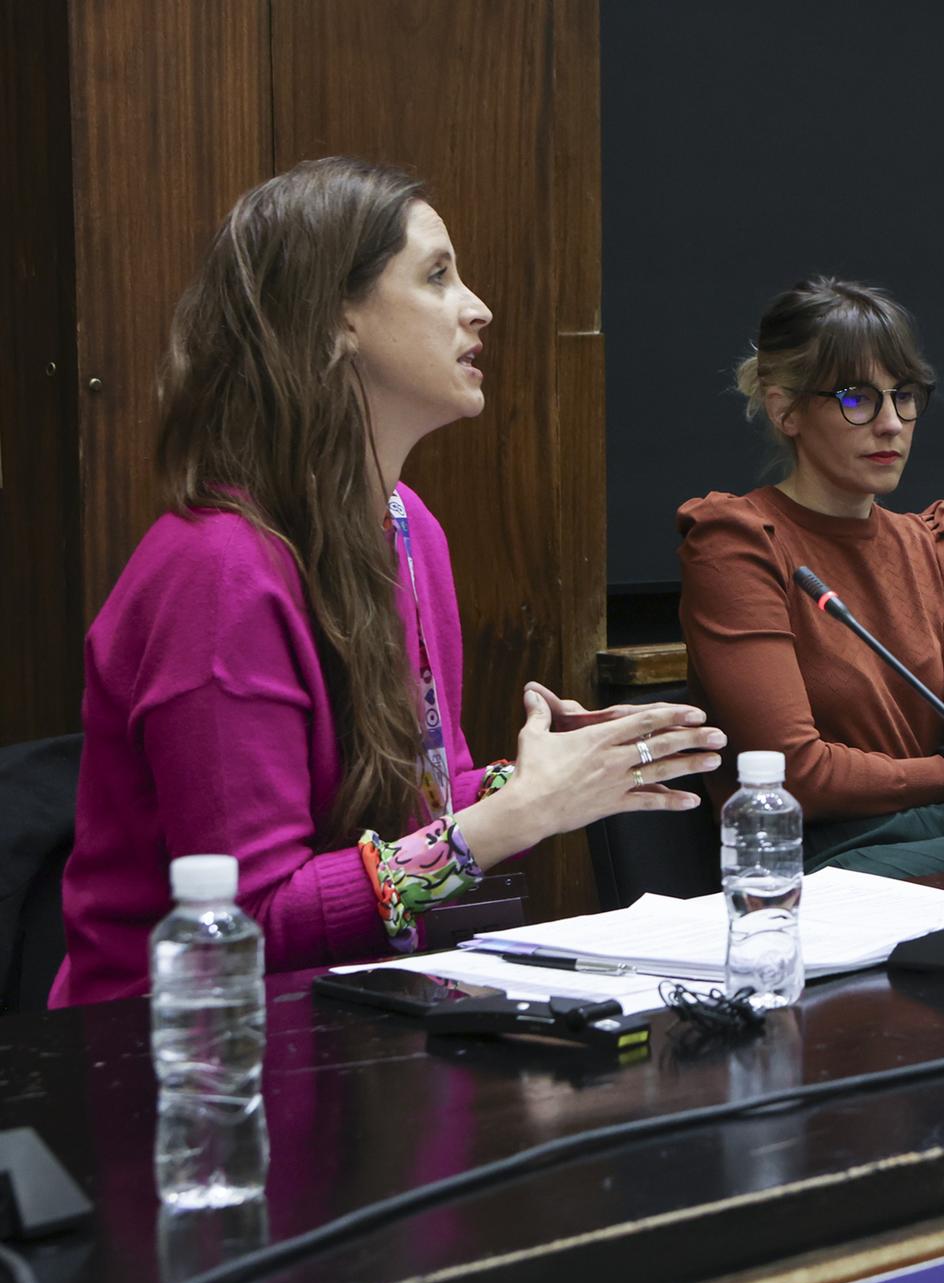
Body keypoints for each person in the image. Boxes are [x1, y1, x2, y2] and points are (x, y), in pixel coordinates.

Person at [51, 158, 724, 1007]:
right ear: (333, 319)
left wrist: (545, 780)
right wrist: (512, 819)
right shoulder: (214, 572)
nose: (477, 307)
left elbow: (416, 827)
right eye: (437, 276)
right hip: (170, 1059)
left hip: (354, 1017)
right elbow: (247, 918)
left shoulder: (410, 529)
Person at [678, 278, 944, 877]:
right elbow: (798, 772)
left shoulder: (942, 548)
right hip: (827, 857)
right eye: (857, 398)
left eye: (904, 396)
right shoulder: (739, 542)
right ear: (785, 409)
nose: (891, 424)